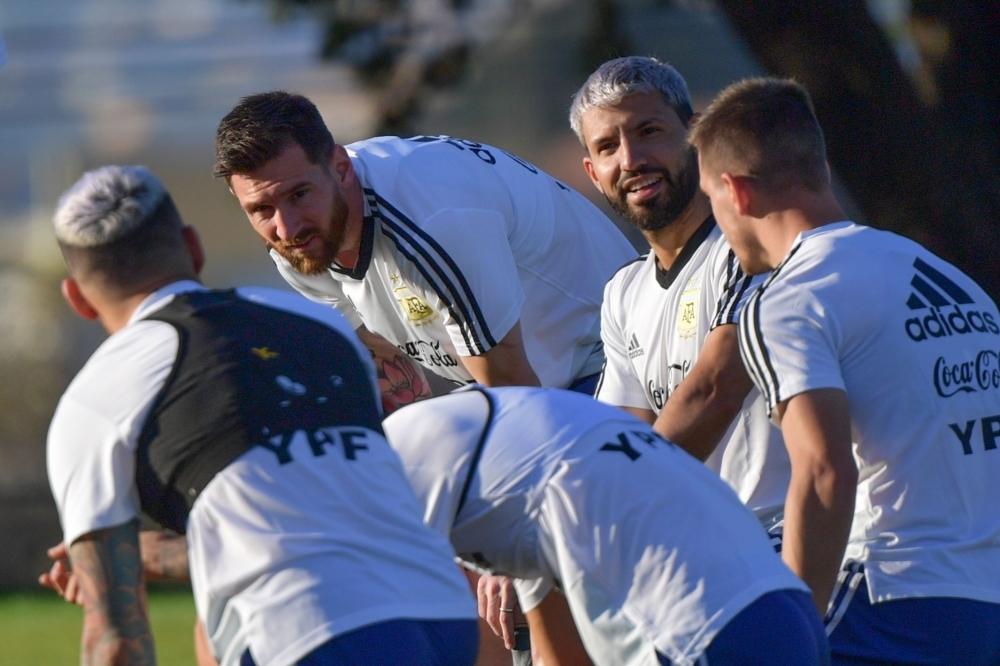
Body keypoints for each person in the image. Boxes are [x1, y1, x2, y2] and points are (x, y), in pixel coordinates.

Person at [45, 165, 478, 666]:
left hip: (304, 634)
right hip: (444, 613)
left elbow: (116, 642)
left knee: (222, 625)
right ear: (193, 247)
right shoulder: (323, 327)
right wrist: (140, 556)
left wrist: (109, 570)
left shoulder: (94, 398)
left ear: (76, 298)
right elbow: (320, 523)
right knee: (216, 625)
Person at [690, 77, 1000, 663]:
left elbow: (826, 471)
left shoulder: (788, 298)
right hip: (984, 605)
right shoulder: (951, 281)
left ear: (735, 191)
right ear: (822, 170)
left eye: (711, 199)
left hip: (887, 600)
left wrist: (795, 635)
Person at [213, 91, 637, 400]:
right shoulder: (300, 245)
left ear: (341, 167)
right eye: (261, 209)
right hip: (511, 383)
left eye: (299, 195)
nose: (285, 228)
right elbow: (390, 372)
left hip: (610, 366)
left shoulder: (433, 222)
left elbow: (518, 399)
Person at [382, 386, 829, 666]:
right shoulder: (504, 471)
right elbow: (562, 653)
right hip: (787, 613)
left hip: (704, 635)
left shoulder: (385, 473)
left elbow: (423, 642)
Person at [571, 56, 790, 527]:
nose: (630, 160)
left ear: (696, 134)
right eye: (608, 146)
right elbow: (624, 432)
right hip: (706, 549)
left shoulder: (746, 245)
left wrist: (604, 508)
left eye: (647, 131)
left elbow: (714, 390)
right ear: (593, 173)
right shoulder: (624, 293)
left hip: (784, 537)